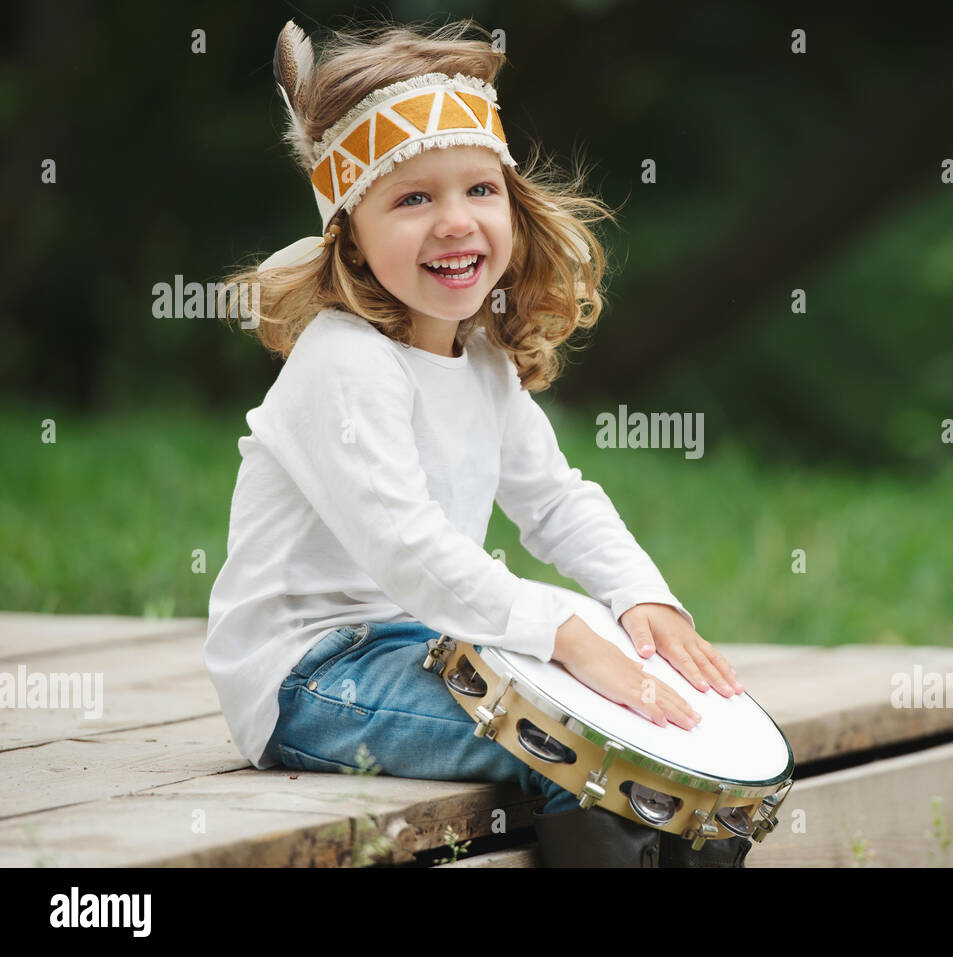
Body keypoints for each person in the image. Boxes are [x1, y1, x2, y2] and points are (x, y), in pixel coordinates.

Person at [203, 18, 750, 867]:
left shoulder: (482, 354)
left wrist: (642, 599)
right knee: (580, 742)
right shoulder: (343, 362)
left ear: (510, 201)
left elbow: (555, 499)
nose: (455, 222)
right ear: (349, 229)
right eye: (413, 198)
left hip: (426, 640)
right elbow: (407, 547)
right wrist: (568, 638)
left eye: (478, 190)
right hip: (313, 677)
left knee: (656, 720)